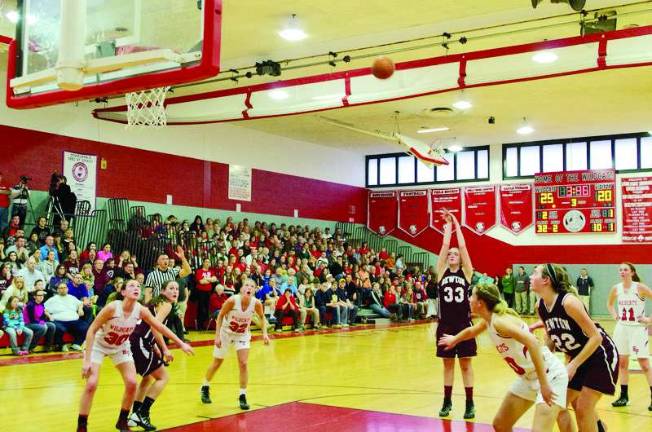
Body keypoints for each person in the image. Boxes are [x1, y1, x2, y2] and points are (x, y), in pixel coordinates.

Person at [439, 284, 568, 432]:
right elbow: (472, 331)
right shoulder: (489, 320)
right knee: (501, 424)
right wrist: (454, 339)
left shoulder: (500, 321)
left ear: (480, 303)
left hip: (549, 375)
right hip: (528, 377)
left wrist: (544, 384)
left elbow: (533, 343)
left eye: (472, 296)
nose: (468, 299)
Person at [76, 279, 193, 432]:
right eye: (132, 285)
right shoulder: (112, 307)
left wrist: (181, 343)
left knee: (131, 383)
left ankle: (122, 421)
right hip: (99, 345)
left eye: (139, 286)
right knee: (92, 384)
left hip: (120, 346)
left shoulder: (141, 309)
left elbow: (158, 327)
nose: (137, 287)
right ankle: (82, 425)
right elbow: (91, 330)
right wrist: (86, 360)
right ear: (123, 292)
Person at [532, 263, 618, 432]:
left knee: (583, 409)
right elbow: (552, 337)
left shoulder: (569, 302)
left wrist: (573, 364)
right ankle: (598, 427)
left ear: (546, 280)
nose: (530, 276)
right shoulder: (540, 306)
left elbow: (596, 337)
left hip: (600, 354)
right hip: (577, 357)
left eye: (535, 273)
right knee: (558, 405)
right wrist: (544, 359)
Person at [201, 278, 270, 410]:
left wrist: (265, 334)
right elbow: (220, 316)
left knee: (243, 363)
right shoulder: (232, 301)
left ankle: (242, 395)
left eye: (252, 286)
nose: (249, 288)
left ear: (255, 290)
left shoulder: (256, 304)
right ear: (241, 289)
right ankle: (205, 386)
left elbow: (262, 317)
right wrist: (217, 336)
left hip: (242, 334)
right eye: (246, 285)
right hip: (225, 333)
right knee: (217, 362)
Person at [435, 209, 476, 419]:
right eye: (450, 254)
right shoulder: (441, 271)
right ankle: (447, 401)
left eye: (455, 254)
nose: (452, 254)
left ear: (460, 259)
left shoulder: (466, 272)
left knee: (466, 364)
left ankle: (470, 404)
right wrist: (447, 226)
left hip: (464, 325)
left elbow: (462, 246)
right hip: (445, 325)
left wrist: (457, 224)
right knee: (448, 364)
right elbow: (444, 247)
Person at [128, 280, 184, 431]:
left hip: (136, 340)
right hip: (140, 341)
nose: (175, 291)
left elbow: (147, 324)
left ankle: (134, 416)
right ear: (163, 290)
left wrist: (155, 347)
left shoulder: (154, 302)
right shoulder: (166, 304)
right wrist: (165, 348)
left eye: (177, 289)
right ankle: (143, 413)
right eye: (171, 288)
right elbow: (155, 326)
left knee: (147, 378)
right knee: (163, 377)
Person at [606, 262, 652, 410]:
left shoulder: (640, 287)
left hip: (638, 329)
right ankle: (624, 396)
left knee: (644, 364)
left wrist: (649, 320)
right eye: (620, 270)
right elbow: (610, 304)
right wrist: (615, 316)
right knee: (622, 363)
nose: (622, 272)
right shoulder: (616, 288)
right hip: (622, 328)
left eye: (625, 269)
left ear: (632, 272)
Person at [44, 282, 89, 352]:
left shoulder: (72, 297)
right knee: (59, 328)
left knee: (85, 326)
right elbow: (44, 309)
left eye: (65, 288)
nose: (63, 289)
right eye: (61, 288)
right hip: (59, 320)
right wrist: (49, 316)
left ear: (67, 289)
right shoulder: (53, 299)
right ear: (58, 290)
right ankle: (61, 345)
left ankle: (77, 344)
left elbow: (80, 303)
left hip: (74, 320)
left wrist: (80, 309)